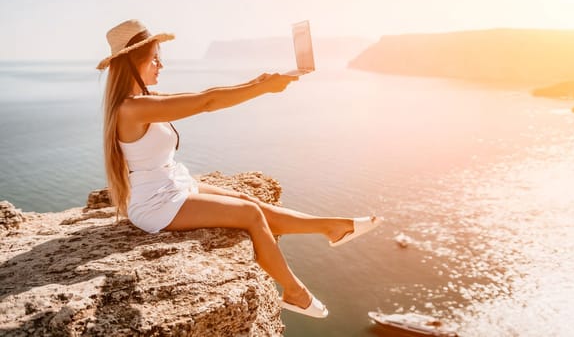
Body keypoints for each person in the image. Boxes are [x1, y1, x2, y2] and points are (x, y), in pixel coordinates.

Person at [97, 19, 381, 318]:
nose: (160, 65)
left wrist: (257, 83)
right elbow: (207, 102)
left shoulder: (144, 100)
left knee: (249, 202)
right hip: (156, 203)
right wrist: (264, 90)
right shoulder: (132, 109)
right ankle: (295, 293)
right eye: (154, 58)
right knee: (250, 215)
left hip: (172, 184)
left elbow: (206, 93)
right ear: (132, 62)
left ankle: (331, 228)